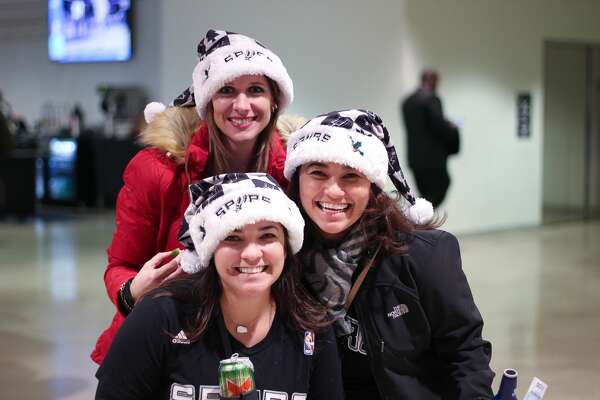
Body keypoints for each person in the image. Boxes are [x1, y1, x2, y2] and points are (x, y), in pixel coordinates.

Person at [92, 29, 296, 364]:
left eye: (255, 90)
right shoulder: (157, 170)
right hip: (170, 334)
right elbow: (121, 265)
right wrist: (132, 291)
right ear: (206, 100)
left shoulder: (293, 171)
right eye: (227, 90)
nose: (241, 105)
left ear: (274, 100)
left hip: (263, 336)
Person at [284, 109, 494, 399]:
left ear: (372, 187)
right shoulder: (284, 259)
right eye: (318, 173)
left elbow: (466, 351)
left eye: (350, 176)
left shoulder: (422, 256)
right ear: (297, 180)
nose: (333, 191)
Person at [95, 173, 344, 400]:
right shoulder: (161, 316)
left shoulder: (312, 327)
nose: (251, 254)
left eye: (267, 236)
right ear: (210, 249)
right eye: (232, 238)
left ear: (286, 247)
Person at [402, 70, 460, 207]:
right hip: (433, 159)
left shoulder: (407, 101)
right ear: (433, 80)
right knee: (441, 187)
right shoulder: (431, 99)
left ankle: (422, 221)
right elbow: (439, 126)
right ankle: (422, 221)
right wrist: (452, 127)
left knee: (425, 194)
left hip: (414, 158)